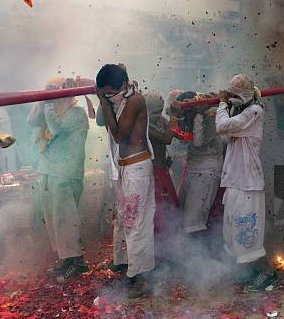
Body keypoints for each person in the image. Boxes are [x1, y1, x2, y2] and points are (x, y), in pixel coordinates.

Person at [96, 64, 155, 298]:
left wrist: (104, 101)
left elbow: (119, 135)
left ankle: (142, 277)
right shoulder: (117, 100)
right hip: (124, 169)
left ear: (122, 86)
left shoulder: (135, 100)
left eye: (110, 92)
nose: (107, 96)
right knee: (122, 219)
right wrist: (105, 100)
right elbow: (102, 123)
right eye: (104, 92)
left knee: (135, 221)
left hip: (137, 167)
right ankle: (125, 266)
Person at [215, 74, 278, 292]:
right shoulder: (241, 112)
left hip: (248, 184)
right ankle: (251, 272)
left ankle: (268, 273)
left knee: (247, 234)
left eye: (232, 95)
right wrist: (226, 105)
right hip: (235, 181)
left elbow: (222, 127)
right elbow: (226, 132)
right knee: (234, 234)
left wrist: (222, 102)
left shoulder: (254, 112)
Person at [27, 77, 89, 282]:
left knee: (66, 219)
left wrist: (48, 105)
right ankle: (66, 259)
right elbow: (31, 121)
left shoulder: (77, 114)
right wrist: (43, 99)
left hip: (66, 173)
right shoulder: (49, 110)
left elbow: (56, 129)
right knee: (53, 219)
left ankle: (78, 262)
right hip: (48, 170)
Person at [175, 91, 225, 237]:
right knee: (182, 216)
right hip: (193, 170)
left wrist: (199, 114)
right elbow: (183, 138)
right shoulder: (191, 117)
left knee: (194, 222)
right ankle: (188, 255)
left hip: (206, 172)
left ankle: (198, 257)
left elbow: (199, 141)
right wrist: (181, 116)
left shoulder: (211, 116)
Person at [144, 90, 180, 237]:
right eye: (154, 112)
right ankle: (158, 249)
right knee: (158, 213)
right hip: (153, 173)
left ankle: (172, 246)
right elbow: (166, 138)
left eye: (160, 111)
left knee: (170, 209)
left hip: (163, 171)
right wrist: (174, 116)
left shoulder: (160, 119)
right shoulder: (144, 125)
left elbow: (177, 133)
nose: (157, 115)